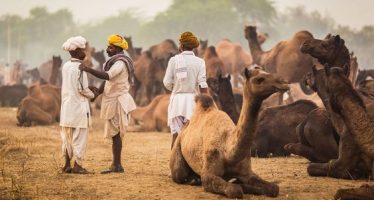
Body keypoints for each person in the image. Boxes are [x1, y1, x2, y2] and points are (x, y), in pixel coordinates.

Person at [79, 34, 136, 174]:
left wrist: (88, 69)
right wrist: (98, 92)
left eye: (110, 47)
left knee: (116, 134)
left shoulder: (120, 63)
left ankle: (117, 165)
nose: (107, 49)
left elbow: (107, 76)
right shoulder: (115, 61)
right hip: (113, 99)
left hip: (118, 100)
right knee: (114, 134)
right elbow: (109, 80)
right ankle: (116, 164)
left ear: (117, 48)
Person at [60, 36, 99, 174]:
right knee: (80, 138)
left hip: (67, 107)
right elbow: (82, 89)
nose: (85, 52)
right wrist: (94, 94)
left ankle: (66, 165)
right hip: (79, 107)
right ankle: (78, 166)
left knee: (67, 137)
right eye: (83, 50)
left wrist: (89, 88)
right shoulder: (80, 67)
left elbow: (75, 85)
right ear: (76, 51)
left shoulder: (66, 66)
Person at [163, 31, 208, 149]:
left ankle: (175, 165)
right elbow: (203, 85)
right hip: (193, 102)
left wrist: (177, 88)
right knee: (193, 135)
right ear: (193, 47)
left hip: (177, 102)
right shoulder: (200, 62)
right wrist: (207, 104)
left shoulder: (174, 60)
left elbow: (167, 83)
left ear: (181, 46)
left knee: (176, 135)